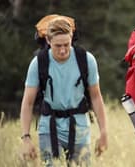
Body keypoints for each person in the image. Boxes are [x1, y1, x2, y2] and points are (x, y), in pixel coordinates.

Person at [20, 16, 108, 166]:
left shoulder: (86, 60)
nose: (62, 50)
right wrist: (26, 138)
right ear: (48, 41)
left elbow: (96, 98)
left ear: (72, 37)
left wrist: (104, 132)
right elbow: (27, 103)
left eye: (66, 45)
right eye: (57, 46)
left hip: (80, 128)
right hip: (49, 128)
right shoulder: (39, 63)